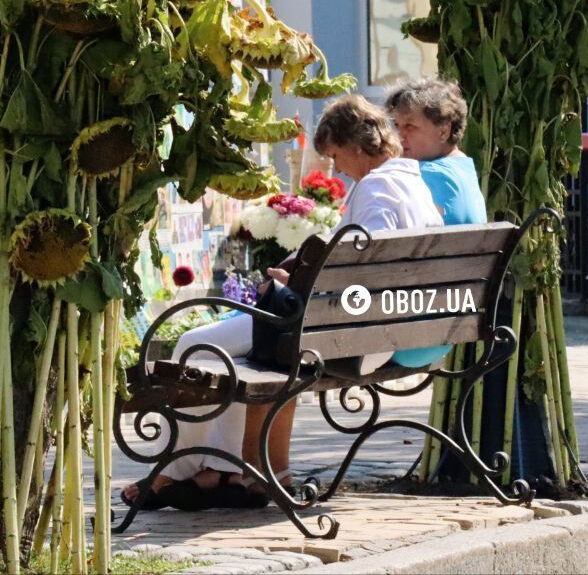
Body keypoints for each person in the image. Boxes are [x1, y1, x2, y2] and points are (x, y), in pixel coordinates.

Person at [121, 96, 443, 511]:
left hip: (332, 329)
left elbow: (363, 268)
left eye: (337, 157)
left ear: (359, 147)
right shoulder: (412, 181)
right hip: (370, 327)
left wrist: (297, 284)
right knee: (235, 357)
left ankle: (179, 470)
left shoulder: (377, 188)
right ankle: (222, 469)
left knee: (194, 346)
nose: (338, 169)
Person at [384, 78, 487, 367]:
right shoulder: (463, 169)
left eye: (410, 126)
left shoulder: (424, 177)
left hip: (401, 336)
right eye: (397, 126)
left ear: (443, 130)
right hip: (441, 333)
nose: (399, 136)